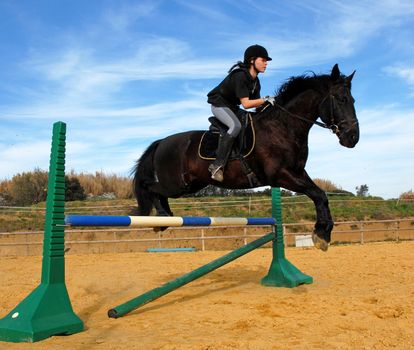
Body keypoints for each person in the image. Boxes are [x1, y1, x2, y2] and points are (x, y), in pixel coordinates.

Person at [207, 44, 274, 182]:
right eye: (263, 60)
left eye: (266, 61)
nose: (266, 63)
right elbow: (246, 104)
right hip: (219, 104)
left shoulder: (256, 82)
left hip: (232, 107)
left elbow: (256, 106)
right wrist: (265, 99)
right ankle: (217, 165)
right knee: (235, 126)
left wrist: (271, 107)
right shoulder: (240, 76)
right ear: (252, 60)